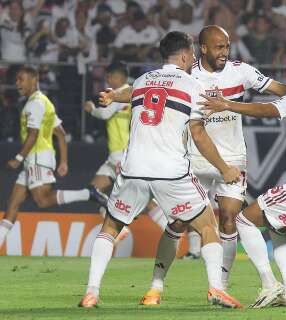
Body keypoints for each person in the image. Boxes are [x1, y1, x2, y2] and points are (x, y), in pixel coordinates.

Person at [78, 31, 242, 309]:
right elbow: (199, 135)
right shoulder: (191, 84)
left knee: (110, 227)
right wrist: (225, 168)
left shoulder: (143, 80)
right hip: (171, 171)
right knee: (207, 226)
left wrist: (115, 95)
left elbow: (131, 92)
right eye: (191, 54)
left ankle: (91, 291)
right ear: (183, 55)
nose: (193, 59)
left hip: (133, 169)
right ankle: (215, 288)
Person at [199, 50, 286, 308]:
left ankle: (269, 284)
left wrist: (227, 104)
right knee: (278, 230)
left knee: (244, 220)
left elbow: (264, 109)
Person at [174, 25, 286, 286]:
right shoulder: (187, 74)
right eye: (219, 47)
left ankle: (221, 284)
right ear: (203, 48)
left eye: (227, 46)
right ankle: (158, 282)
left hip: (233, 157)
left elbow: (278, 89)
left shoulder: (241, 71)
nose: (225, 52)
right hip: (196, 157)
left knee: (228, 218)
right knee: (181, 222)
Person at [0, 66, 107, 248]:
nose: (17, 83)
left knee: (42, 200)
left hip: (36, 157)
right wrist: (63, 160)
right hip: (35, 159)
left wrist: (18, 158)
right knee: (13, 203)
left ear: (34, 80)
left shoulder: (35, 104)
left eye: (21, 79)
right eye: (17, 79)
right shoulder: (44, 101)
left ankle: (86, 193)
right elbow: (60, 133)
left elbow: (33, 135)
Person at [83, 61, 167, 241]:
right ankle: (121, 224)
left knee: (142, 198)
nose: (108, 80)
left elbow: (104, 114)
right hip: (115, 156)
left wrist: (91, 109)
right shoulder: (133, 92)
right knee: (94, 190)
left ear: (120, 76)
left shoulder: (121, 93)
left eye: (110, 76)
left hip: (123, 155)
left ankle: (168, 228)